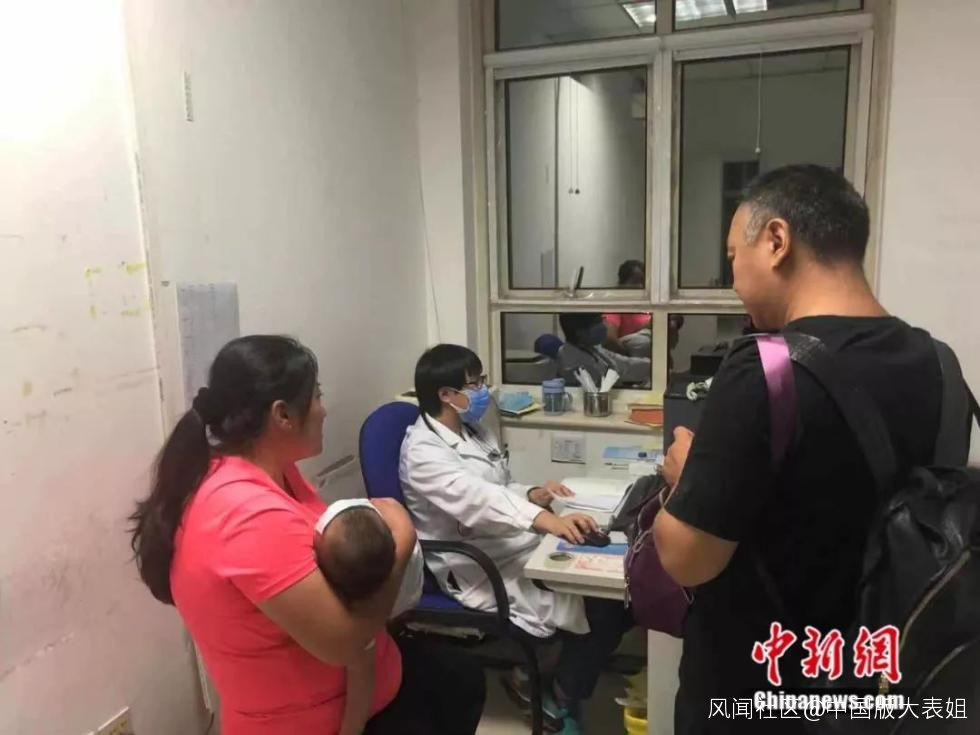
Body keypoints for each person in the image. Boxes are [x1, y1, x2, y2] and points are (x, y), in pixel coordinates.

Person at [652, 165, 948, 734]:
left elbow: (687, 558)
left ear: (776, 241)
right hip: (887, 685)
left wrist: (685, 478)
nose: (734, 281)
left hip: (760, 694)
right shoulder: (941, 364)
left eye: (734, 257)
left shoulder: (768, 369)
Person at [129, 335, 485, 735]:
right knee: (450, 687)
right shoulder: (245, 513)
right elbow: (344, 643)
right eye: (316, 396)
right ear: (282, 414)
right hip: (314, 719)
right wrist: (401, 541)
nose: (323, 409)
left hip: (365, 684)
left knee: (460, 677)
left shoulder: (275, 472)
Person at [399, 344, 634, 734]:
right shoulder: (423, 453)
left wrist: (534, 494)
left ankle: (539, 674)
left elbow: (499, 486)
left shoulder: (471, 432)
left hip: (509, 542)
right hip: (475, 563)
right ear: (446, 394)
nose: (484, 391)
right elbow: (478, 499)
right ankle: (556, 697)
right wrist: (545, 520)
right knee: (603, 607)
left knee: (620, 592)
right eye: (475, 384)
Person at [313, 499, 426, 735]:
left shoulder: (358, 624)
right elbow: (392, 507)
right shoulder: (379, 533)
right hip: (404, 588)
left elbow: (362, 682)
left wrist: (351, 730)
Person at [558, 312, 651, 387]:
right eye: (597, 322)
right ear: (580, 332)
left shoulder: (593, 349)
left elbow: (624, 364)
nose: (604, 325)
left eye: (602, 320)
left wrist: (653, 366)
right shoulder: (573, 363)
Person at [603, 259, 652, 347]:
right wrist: (626, 353)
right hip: (628, 352)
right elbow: (610, 339)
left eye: (643, 282)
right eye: (635, 282)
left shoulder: (648, 304)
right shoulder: (615, 304)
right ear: (622, 283)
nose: (640, 286)